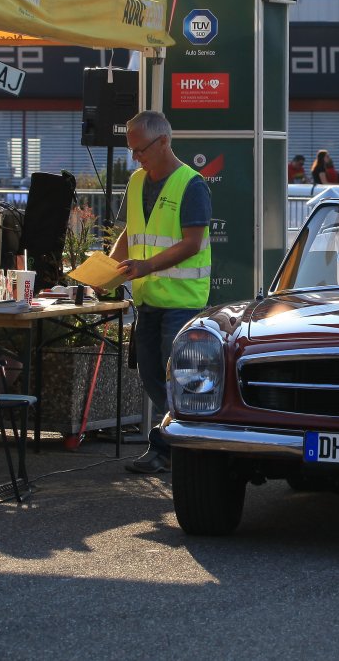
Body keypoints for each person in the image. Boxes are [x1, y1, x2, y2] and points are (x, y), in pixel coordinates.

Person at [111, 111, 214, 474]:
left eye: (140, 150)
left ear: (164, 141)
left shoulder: (191, 184)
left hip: (182, 301)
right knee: (152, 374)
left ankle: (172, 446)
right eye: (132, 150)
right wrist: (108, 269)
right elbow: (130, 232)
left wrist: (146, 266)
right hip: (148, 298)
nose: (135, 158)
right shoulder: (137, 181)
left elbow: (192, 243)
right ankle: (178, 443)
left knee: (179, 379)